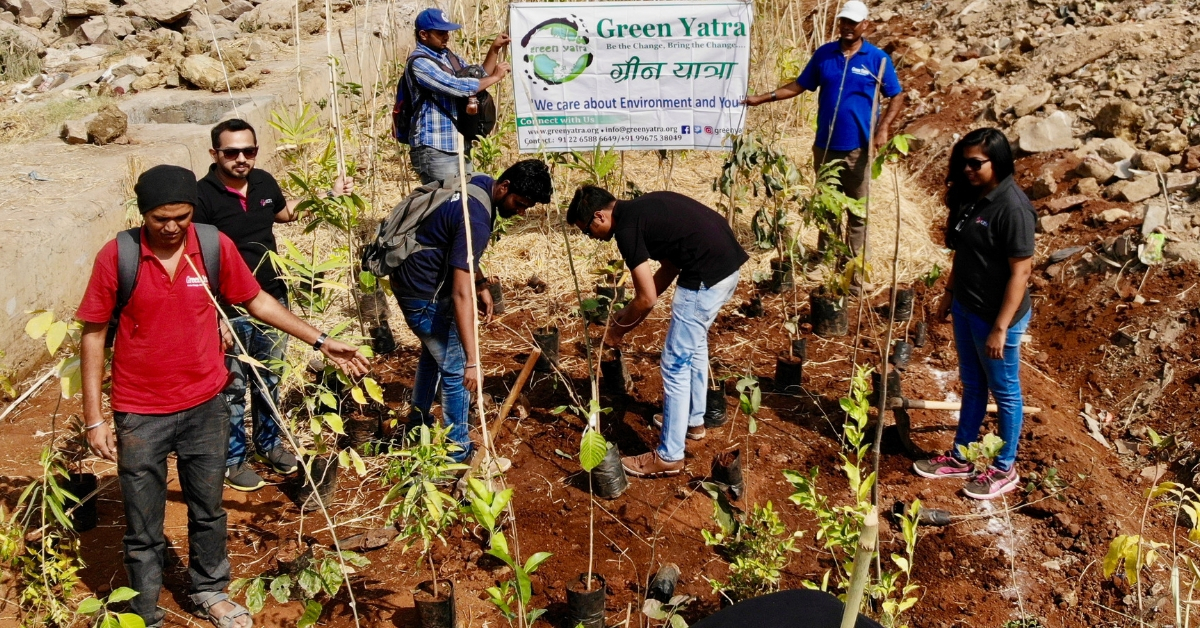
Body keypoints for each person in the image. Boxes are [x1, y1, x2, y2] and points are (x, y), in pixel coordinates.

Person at [77, 165, 370, 628]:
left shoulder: (211, 247)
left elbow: (257, 301)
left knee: (208, 509)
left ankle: (209, 589)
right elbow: (93, 335)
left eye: (181, 216)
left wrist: (320, 340)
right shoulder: (119, 256)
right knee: (143, 522)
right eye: (160, 219)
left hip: (206, 406)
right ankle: (142, 610)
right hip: (140, 412)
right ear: (142, 215)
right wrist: (95, 418)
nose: (172, 227)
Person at [194, 118, 353, 492]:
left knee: (269, 377)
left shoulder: (264, 181)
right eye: (231, 152)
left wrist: (327, 196)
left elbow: (284, 213)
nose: (241, 159)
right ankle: (234, 459)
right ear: (214, 153)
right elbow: (196, 259)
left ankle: (269, 445)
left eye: (248, 151)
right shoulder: (201, 197)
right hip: (227, 307)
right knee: (231, 385)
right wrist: (214, 315)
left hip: (271, 298)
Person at [568, 186, 748, 478]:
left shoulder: (627, 230)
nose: (591, 238)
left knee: (674, 362)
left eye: (587, 231)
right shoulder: (644, 209)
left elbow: (647, 299)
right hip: (726, 267)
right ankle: (693, 421)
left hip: (705, 275)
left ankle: (669, 456)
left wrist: (616, 332)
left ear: (599, 216)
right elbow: (669, 267)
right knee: (695, 345)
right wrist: (627, 312)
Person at [390, 160, 552, 465]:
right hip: (423, 294)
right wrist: (473, 361)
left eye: (526, 207)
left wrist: (479, 281)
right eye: (519, 203)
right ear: (504, 187)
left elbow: (454, 248)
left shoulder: (477, 183)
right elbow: (460, 293)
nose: (520, 212)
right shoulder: (476, 218)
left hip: (409, 281)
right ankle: (457, 451)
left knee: (432, 351)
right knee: (455, 367)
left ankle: (417, 420)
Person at [911, 128, 1035, 500]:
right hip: (967, 306)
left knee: (1005, 392)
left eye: (975, 163)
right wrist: (949, 294)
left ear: (997, 162)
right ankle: (963, 455)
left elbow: (1021, 272)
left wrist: (1000, 328)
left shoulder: (1013, 207)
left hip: (996, 317)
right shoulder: (973, 197)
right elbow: (965, 254)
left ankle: (1004, 467)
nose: (966, 169)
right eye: (962, 161)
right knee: (973, 384)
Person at [744, 0, 905, 264]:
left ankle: (855, 271)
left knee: (857, 212)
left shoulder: (878, 60)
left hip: (858, 148)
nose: (847, 27)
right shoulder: (824, 55)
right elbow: (798, 86)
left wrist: (883, 129)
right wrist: (761, 98)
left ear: (866, 25)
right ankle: (826, 262)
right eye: (844, 21)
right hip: (825, 147)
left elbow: (896, 95)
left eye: (853, 22)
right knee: (827, 206)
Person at [403, 7, 511, 183]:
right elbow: (458, 86)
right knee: (445, 203)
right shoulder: (419, 63)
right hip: (435, 147)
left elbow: (478, 78)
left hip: (458, 143)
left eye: (447, 32)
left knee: (462, 201)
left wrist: (494, 49)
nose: (446, 36)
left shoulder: (448, 56)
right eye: (440, 33)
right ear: (423, 35)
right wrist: (496, 77)